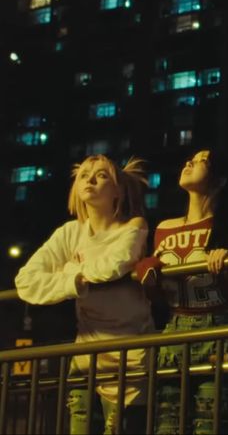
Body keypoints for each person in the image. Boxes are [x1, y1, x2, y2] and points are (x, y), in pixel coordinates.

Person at [15, 154, 154, 434]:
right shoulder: (70, 232)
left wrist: (68, 270)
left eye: (101, 175)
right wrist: (74, 279)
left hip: (131, 357)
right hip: (85, 357)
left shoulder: (133, 225)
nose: (90, 179)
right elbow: (26, 281)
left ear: (118, 190)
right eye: (84, 175)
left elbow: (113, 265)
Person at [135, 149, 228, 435]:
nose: (189, 162)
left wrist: (227, 268)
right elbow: (160, 297)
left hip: (221, 331)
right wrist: (147, 273)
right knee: (166, 427)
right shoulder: (164, 228)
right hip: (175, 332)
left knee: (210, 425)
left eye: (201, 161)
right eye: (190, 158)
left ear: (220, 179)